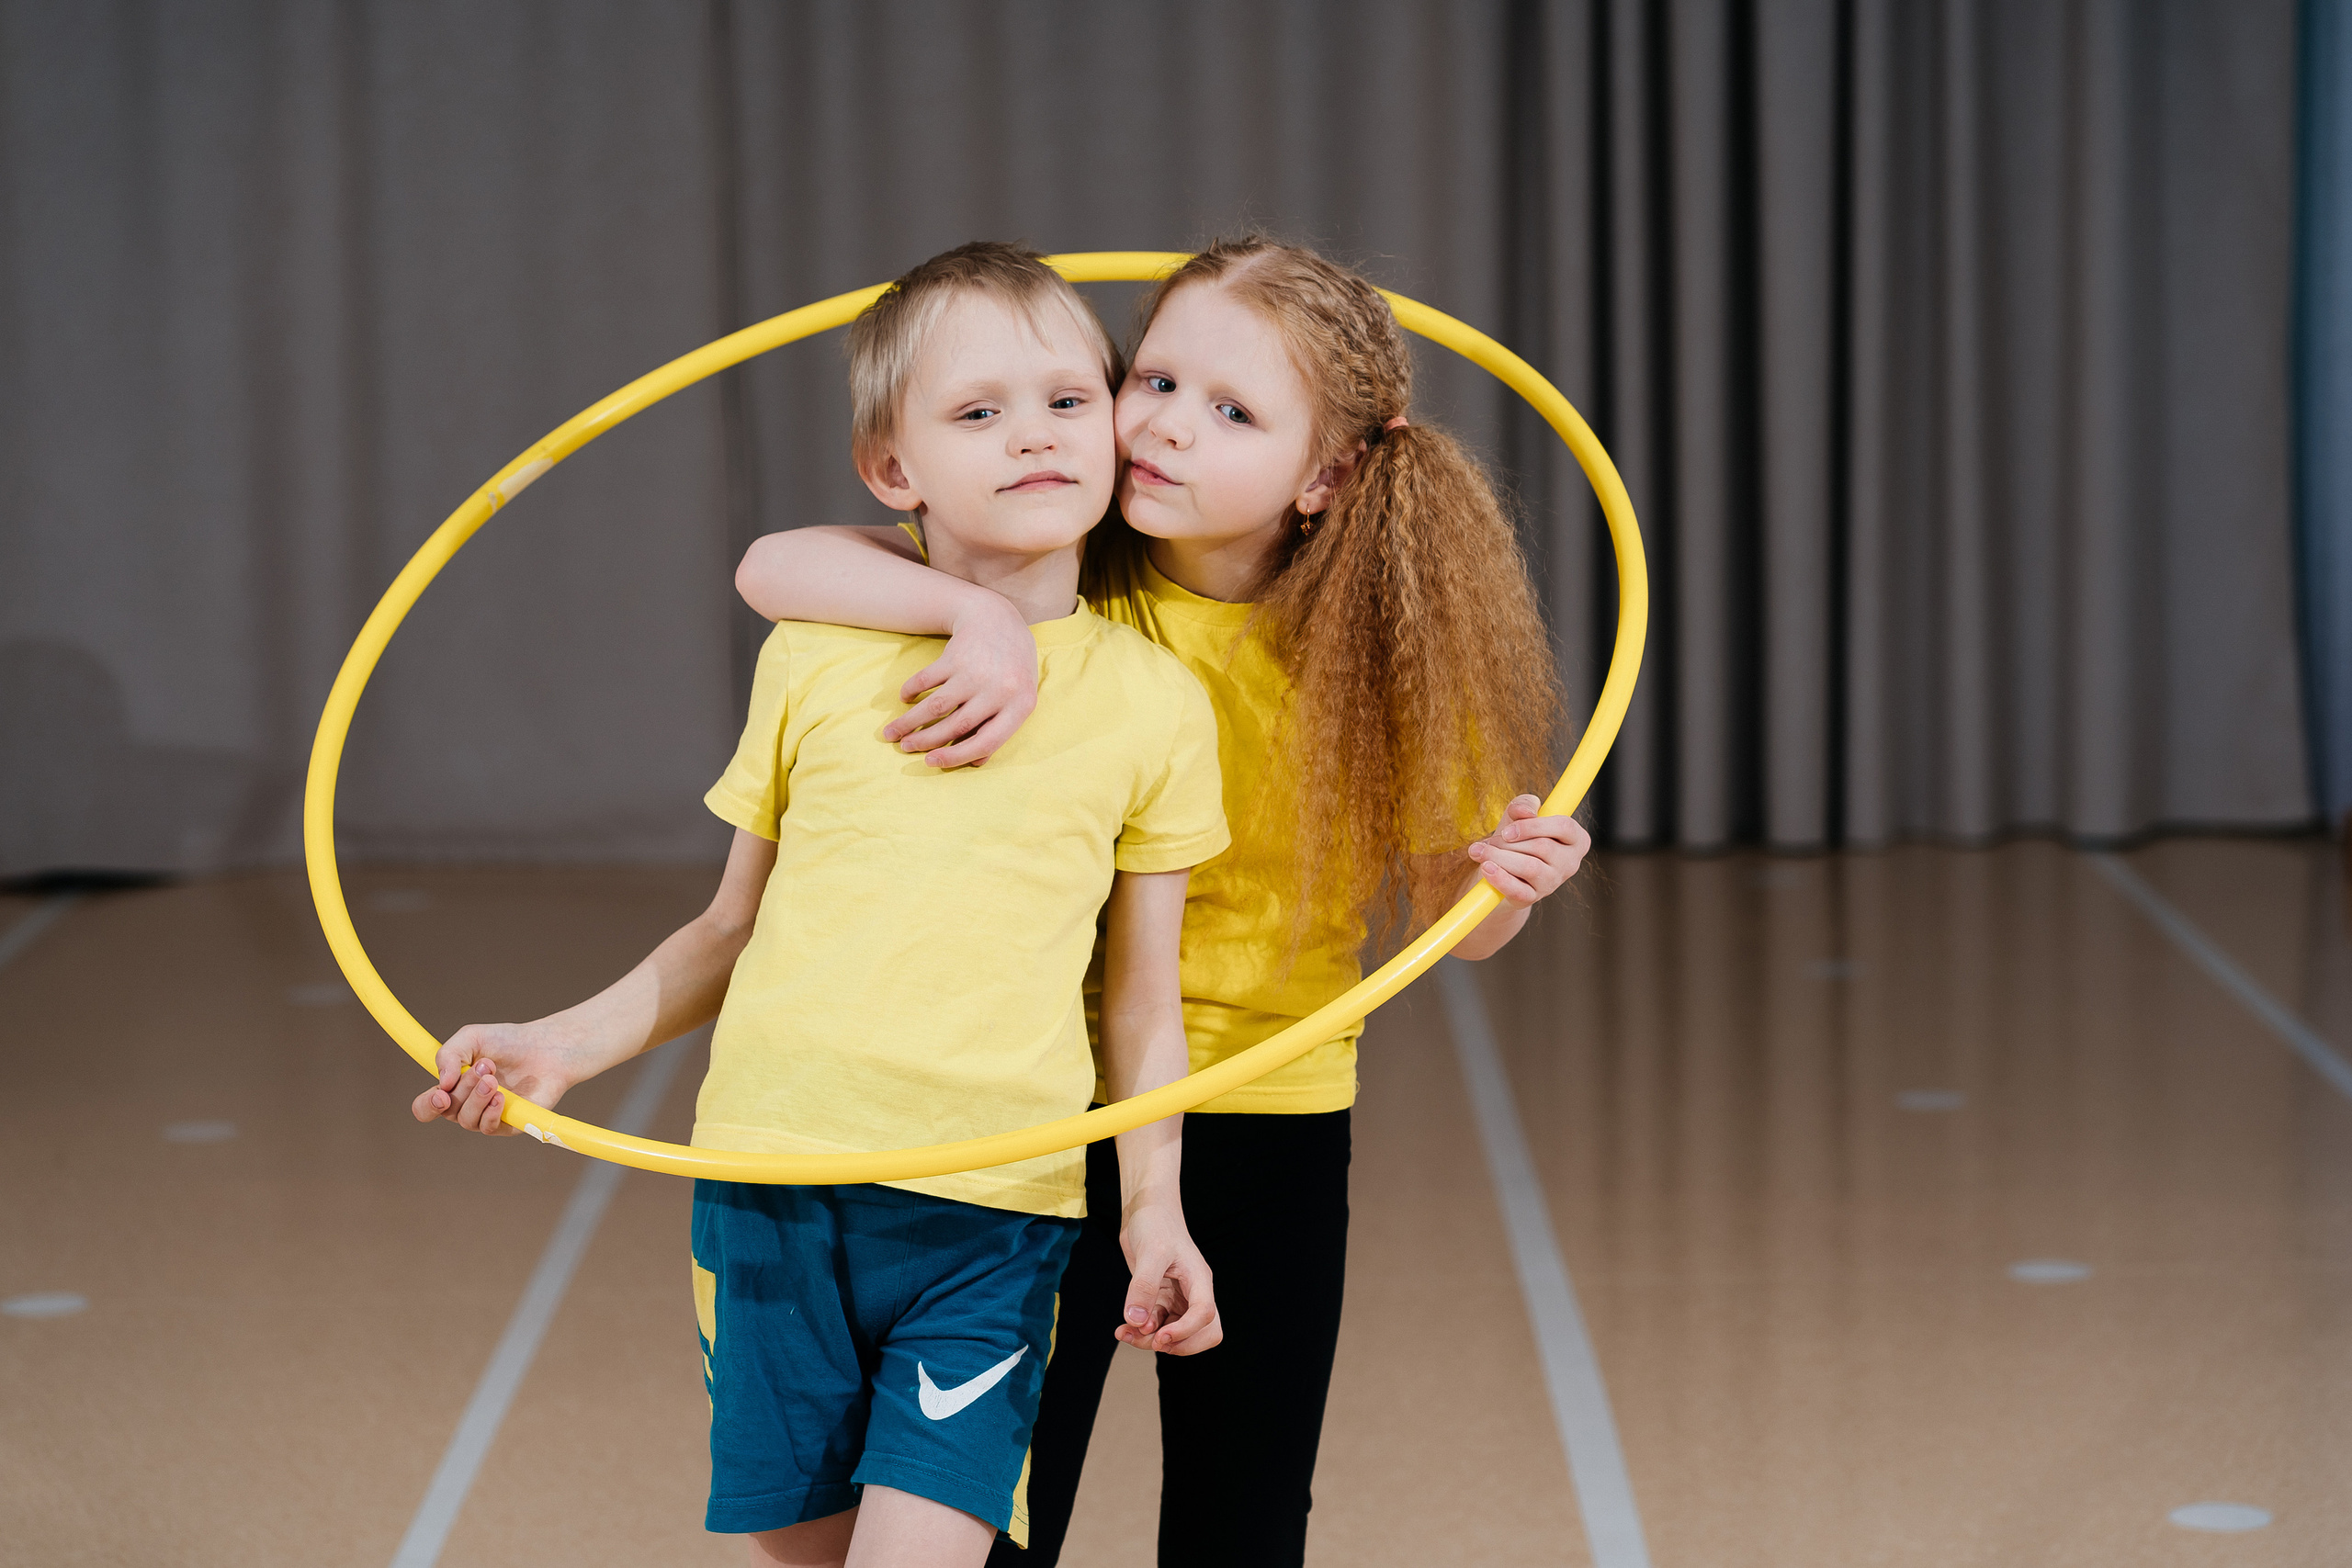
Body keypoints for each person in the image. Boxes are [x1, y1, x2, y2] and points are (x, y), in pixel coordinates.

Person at [733, 235, 1593, 1566]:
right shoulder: (1061, 575)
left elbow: (1454, 929)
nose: (1164, 427)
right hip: (1060, 1105)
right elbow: (779, 565)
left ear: (1325, 476)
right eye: (1158, 380)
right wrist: (976, 621)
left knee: (1245, 1518)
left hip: (1274, 1113)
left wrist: (1508, 888)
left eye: (1231, 411)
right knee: (1010, 1509)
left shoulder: (1385, 656)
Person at [411, 242, 1232, 1568]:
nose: (1035, 436)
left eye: (1070, 402)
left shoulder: (1153, 706)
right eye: (979, 412)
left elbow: (1142, 998)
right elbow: (727, 933)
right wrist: (562, 1044)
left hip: (993, 1216)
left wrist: (1154, 1210)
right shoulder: (817, 658)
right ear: (894, 470)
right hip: (769, 1192)